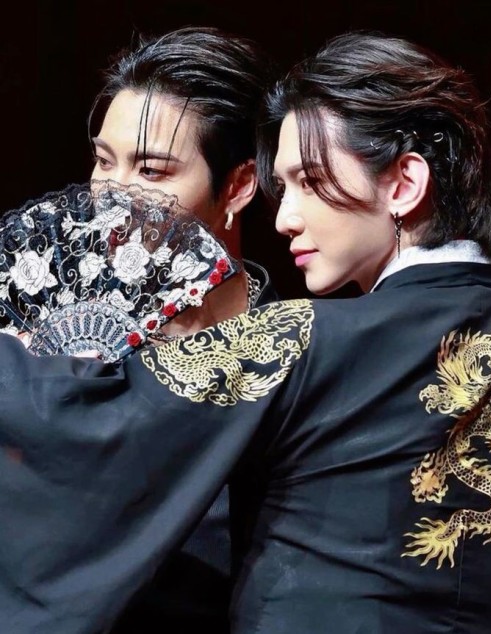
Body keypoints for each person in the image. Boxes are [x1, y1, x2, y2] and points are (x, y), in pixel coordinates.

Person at [0, 30, 491, 634]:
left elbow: (90, 415)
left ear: (403, 184)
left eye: (310, 181)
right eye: (284, 188)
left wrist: (18, 366)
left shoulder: (301, 338)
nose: (284, 218)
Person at [87, 27, 278, 633]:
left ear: (237, 186)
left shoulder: (295, 353)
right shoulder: (66, 340)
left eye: (151, 169)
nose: (113, 194)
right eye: (103, 161)